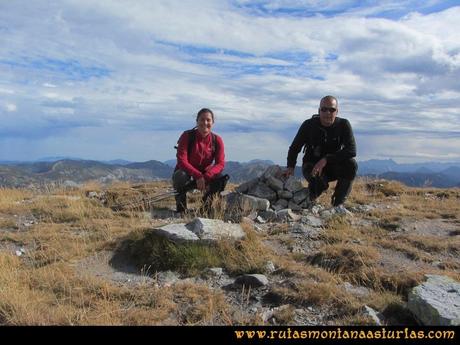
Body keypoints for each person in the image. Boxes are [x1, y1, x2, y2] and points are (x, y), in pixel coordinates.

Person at [285, 96, 357, 208]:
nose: (328, 113)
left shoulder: (343, 125)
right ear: (319, 111)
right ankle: (309, 200)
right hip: (311, 165)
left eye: (332, 110)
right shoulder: (308, 125)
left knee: (351, 165)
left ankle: (337, 204)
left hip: (333, 166)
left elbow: (351, 150)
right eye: (324, 109)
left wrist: (326, 159)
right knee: (319, 183)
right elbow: (295, 147)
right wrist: (290, 167)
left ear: (337, 111)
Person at [172, 108, 226, 213]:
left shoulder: (217, 140)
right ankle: (181, 209)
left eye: (208, 120)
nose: (205, 123)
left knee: (220, 178)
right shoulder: (187, 136)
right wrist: (198, 175)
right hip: (187, 171)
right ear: (197, 121)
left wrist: (207, 176)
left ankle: (206, 207)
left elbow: (220, 163)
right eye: (202, 119)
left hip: (205, 173)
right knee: (180, 176)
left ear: (213, 122)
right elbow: (181, 160)